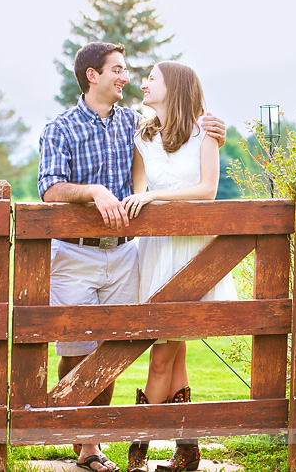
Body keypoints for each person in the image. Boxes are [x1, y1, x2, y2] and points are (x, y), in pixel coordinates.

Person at [37, 42, 226, 472]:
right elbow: (49, 188)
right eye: (118, 70)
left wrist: (216, 131)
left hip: (128, 254)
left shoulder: (133, 124)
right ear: (93, 76)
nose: (127, 77)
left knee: (116, 348)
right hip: (76, 253)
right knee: (76, 347)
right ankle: (88, 439)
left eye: (131, 72)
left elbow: (180, 133)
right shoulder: (60, 128)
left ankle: (96, 447)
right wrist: (94, 192)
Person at [121, 61, 238, 472]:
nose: (144, 83)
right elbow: (137, 190)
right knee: (175, 353)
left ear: (175, 86)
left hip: (191, 250)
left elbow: (207, 191)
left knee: (161, 357)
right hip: (156, 251)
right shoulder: (142, 134)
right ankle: (187, 450)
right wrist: (144, 199)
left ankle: (139, 452)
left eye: (152, 78)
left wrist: (155, 199)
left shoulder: (205, 133)